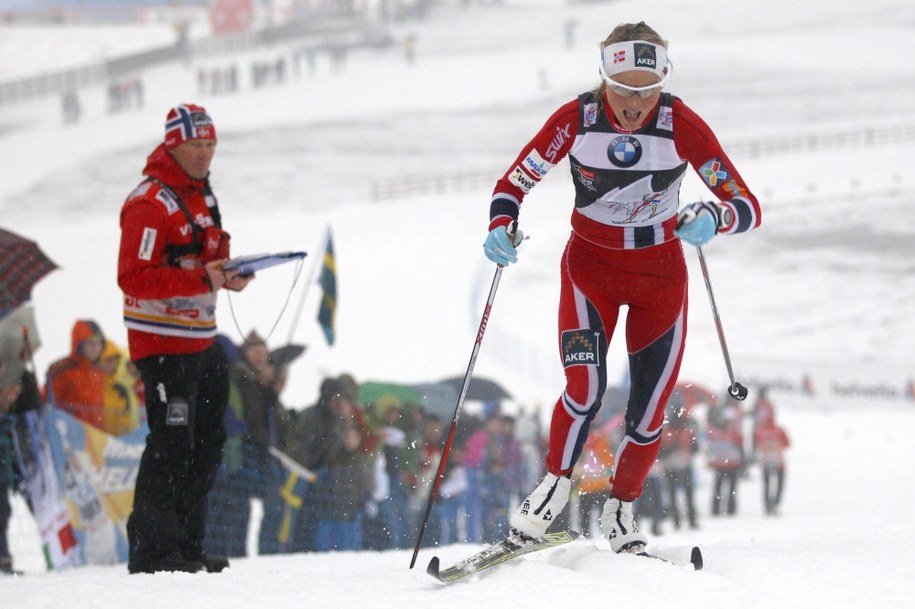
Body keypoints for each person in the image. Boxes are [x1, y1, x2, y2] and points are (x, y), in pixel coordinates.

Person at [484, 22, 761, 553]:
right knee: (584, 387)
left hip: (660, 278)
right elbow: (513, 182)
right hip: (591, 271)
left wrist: (716, 217)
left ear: (662, 83)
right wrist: (500, 226)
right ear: (604, 79)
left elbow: (747, 204)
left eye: (646, 91)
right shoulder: (576, 120)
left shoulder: (681, 124)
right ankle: (551, 490)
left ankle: (621, 511)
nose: (635, 104)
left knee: (649, 408)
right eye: (623, 89)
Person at [117, 103, 253, 574]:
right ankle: (154, 552)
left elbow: (207, 252)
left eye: (210, 145)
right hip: (162, 344)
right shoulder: (150, 203)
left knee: (208, 441)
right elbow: (134, 277)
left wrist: (228, 273)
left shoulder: (201, 195)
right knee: (171, 444)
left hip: (202, 337)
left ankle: (187, 545)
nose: (204, 154)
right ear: (173, 145)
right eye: (196, 145)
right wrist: (202, 280)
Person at [45, 320, 107, 429]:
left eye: (99, 342)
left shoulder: (99, 371)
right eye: (90, 342)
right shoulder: (63, 370)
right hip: (70, 438)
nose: (95, 347)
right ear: (79, 345)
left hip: (96, 438)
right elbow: (47, 404)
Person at [753, 402, 790, 515]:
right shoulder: (778, 430)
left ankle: (768, 505)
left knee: (767, 484)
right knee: (778, 484)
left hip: (767, 462)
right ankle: (774, 504)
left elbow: (756, 445)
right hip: (777, 461)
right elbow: (787, 443)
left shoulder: (760, 431)